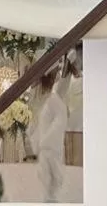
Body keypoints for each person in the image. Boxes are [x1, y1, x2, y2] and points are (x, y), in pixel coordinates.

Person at [30, 68, 68, 202]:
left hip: (50, 146)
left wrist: (46, 141)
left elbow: (60, 119)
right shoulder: (46, 101)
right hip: (44, 145)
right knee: (44, 173)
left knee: (54, 174)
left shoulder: (54, 100)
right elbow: (40, 122)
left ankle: (52, 197)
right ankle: (48, 196)